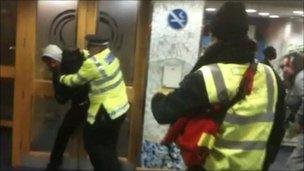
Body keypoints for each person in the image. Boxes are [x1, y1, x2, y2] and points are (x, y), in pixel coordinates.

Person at [151, 2, 285, 170]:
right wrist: (266, 162)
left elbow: (163, 113)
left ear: (216, 37)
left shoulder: (208, 76)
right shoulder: (270, 76)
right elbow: (278, 129)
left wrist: (157, 97)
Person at [58, 35, 129, 171]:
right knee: (109, 145)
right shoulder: (110, 57)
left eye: (90, 47)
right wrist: (82, 53)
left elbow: (76, 80)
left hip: (106, 111)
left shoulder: (92, 64)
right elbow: (97, 62)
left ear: (97, 48)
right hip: (120, 109)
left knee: (92, 144)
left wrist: (61, 78)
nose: (88, 49)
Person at [41, 45, 89, 171]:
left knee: (94, 140)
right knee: (63, 134)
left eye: (52, 61)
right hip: (80, 105)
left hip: (89, 104)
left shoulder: (71, 65)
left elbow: (66, 95)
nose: (51, 65)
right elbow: (61, 98)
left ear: (57, 58)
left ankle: (54, 164)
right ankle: (54, 163)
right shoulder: (61, 68)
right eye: (48, 63)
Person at [281, 52, 304, 171]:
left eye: (288, 66)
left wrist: (299, 122)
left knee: (294, 164)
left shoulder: (300, 77)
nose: (284, 69)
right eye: (283, 66)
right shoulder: (294, 81)